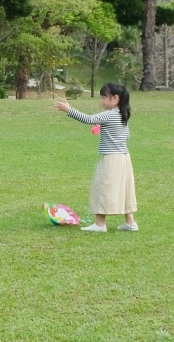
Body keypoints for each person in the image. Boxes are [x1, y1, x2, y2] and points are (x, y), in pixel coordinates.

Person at [54, 83, 137, 232]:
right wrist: (101, 126)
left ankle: (100, 224)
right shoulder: (122, 114)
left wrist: (68, 110)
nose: (102, 101)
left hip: (111, 158)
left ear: (115, 98)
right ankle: (130, 222)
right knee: (125, 188)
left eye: (104, 97)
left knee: (102, 188)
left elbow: (88, 119)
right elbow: (124, 134)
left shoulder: (109, 114)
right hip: (124, 158)